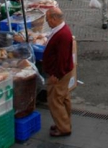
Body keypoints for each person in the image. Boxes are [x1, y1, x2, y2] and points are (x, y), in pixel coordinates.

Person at [43, 8, 75, 137]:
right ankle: (64, 123)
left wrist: (56, 74)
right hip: (64, 71)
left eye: (48, 19)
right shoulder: (61, 30)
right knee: (63, 98)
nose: (47, 22)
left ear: (54, 19)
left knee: (55, 100)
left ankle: (63, 128)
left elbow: (62, 58)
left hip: (59, 73)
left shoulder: (62, 34)